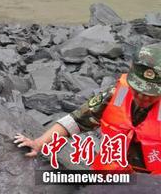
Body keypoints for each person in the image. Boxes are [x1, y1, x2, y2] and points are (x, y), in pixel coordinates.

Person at [14, 43, 161, 174]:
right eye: (137, 89)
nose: (143, 97)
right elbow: (76, 120)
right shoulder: (118, 94)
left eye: (151, 94)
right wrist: (39, 143)